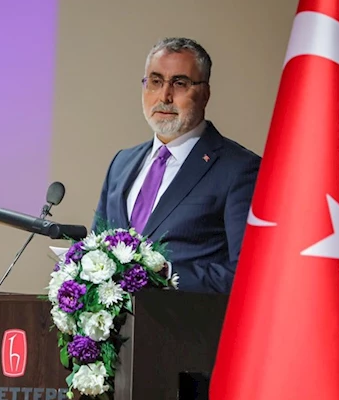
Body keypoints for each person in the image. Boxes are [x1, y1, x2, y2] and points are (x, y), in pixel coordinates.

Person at [92, 37, 261, 294]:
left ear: (205, 94)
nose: (165, 96)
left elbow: (248, 274)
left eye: (180, 83)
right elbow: (97, 250)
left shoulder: (240, 169)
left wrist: (167, 274)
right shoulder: (121, 163)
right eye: (155, 82)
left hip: (188, 318)